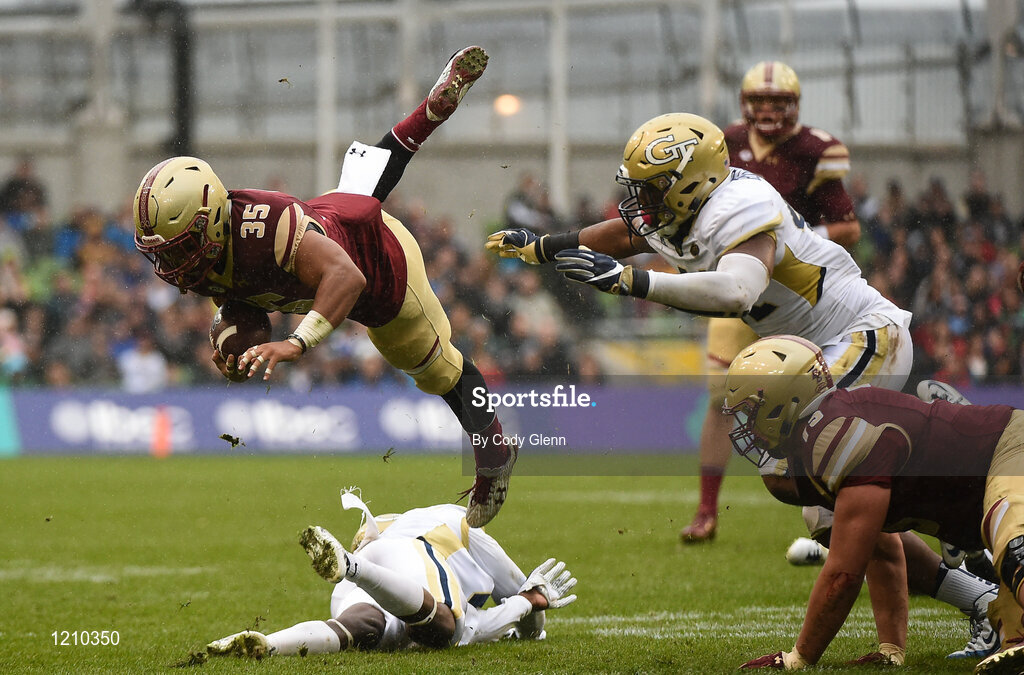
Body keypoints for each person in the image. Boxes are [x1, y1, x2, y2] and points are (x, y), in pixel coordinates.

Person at [485, 111, 997, 657]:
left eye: (652, 186)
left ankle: (960, 533)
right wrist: (544, 246)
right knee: (832, 509)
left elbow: (736, 292)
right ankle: (964, 596)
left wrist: (633, 283)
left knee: (827, 503)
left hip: (860, 337)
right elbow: (624, 235)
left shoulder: (739, 207)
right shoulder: (681, 205)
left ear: (692, 181)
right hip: (813, 349)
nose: (640, 199)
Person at [132, 46, 515, 527]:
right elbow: (245, 304)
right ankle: (428, 113)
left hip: (378, 265)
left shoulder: (266, 229)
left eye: (176, 247)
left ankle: (495, 453)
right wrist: (237, 346)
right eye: (163, 251)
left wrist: (297, 341)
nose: (170, 263)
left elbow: (346, 277)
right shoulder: (211, 256)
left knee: (441, 373)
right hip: (335, 213)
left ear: (210, 222)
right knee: (365, 176)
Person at [721, 335, 1024, 673]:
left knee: (1017, 549)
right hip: (982, 495)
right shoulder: (824, 436)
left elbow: (844, 575)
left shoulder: (834, 439)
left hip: (1010, 450)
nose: (747, 425)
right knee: (1014, 633)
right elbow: (878, 548)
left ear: (784, 402)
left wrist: (798, 657)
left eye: (752, 411)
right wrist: (891, 649)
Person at [680, 60, 861, 543]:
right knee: (720, 400)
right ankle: (705, 510)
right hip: (738, 287)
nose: (768, 111)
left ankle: (833, 507)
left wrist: (792, 238)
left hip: (796, 291)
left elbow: (848, 227)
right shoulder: (723, 144)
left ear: (794, 105)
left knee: (819, 397)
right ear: (745, 105)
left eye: (778, 103)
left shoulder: (814, 150)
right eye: (760, 102)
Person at [202, 491, 577, 659]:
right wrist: (530, 607)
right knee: (446, 629)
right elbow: (523, 593)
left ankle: (269, 644)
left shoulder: (396, 521)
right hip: (409, 556)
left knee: (363, 626)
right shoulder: (467, 528)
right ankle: (351, 566)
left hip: (376, 557)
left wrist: (526, 604)